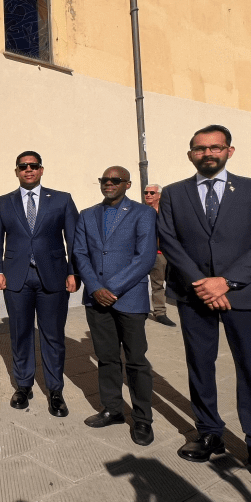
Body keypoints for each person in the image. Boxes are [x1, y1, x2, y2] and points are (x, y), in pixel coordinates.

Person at [157, 125, 251, 491]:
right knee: (200, 365)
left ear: (230, 151)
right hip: (193, 294)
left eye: (215, 147)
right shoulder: (174, 193)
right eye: (199, 149)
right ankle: (209, 431)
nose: (207, 153)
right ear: (190, 154)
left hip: (244, 294)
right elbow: (169, 240)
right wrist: (203, 283)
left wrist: (225, 282)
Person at [0, 151, 79, 416]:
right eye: (23, 166)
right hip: (16, 278)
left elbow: (73, 240)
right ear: (16, 171)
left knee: (52, 336)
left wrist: (74, 272)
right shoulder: (2, 203)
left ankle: (55, 391)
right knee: (20, 335)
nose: (28, 169)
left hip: (53, 277)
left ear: (41, 170)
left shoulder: (61, 200)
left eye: (33, 166)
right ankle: (23, 385)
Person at [72, 166, 157, 446]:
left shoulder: (143, 214)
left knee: (136, 361)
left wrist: (114, 288)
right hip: (96, 300)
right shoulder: (87, 215)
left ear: (127, 184)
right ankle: (113, 409)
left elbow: (144, 258)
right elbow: (80, 253)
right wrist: (96, 289)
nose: (109, 184)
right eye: (105, 180)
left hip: (129, 298)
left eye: (115, 180)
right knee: (106, 358)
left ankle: (143, 419)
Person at [143, 184, 176, 327]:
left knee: (161, 283)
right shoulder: (141, 211)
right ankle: (150, 311)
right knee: (145, 284)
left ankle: (160, 312)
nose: (148, 195)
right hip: (145, 254)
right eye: (146, 192)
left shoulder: (166, 212)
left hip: (163, 253)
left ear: (159, 195)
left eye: (152, 192)